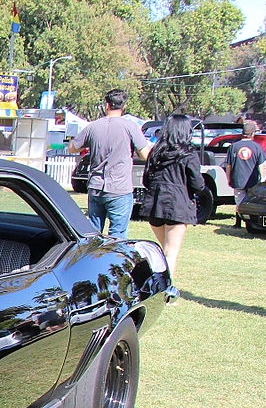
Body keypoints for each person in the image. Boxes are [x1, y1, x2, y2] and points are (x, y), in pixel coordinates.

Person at [69, 89, 152, 239]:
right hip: (119, 188)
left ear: (106, 105)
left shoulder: (93, 127)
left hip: (96, 186)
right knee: (117, 235)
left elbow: (73, 147)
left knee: (93, 234)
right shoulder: (130, 127)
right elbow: (145, 155)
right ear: (124, 106)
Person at [139, 114, 205, 275]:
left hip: (155, 205)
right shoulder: (188, 154)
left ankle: (159, 282)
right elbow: (198, 184)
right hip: (177, 205)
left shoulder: (155, 152)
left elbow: (146, 180)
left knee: (164, 250)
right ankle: (167, 287)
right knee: (170, 253)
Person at [225, 120, 266, 212]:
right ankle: (250, 219)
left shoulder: (233, 146)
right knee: (252, 204)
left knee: (239, 203)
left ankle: (239, 219)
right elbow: (261, 165)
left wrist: (228, 179)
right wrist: (262, 179)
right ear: (252, 133)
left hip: (238, 180)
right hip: (253, 181)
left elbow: (228, 165)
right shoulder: (257, 147)